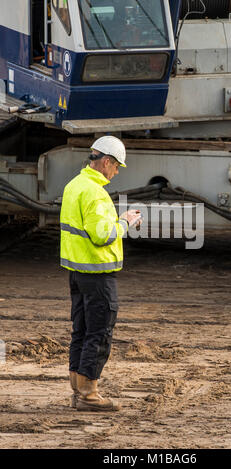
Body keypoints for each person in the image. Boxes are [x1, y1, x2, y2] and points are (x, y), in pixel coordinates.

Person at [60, 135, 142, 412]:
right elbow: (102, 236)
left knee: (81, 332)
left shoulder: (75, 185)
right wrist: (125, 222)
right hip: (97, 274)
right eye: (117, 166)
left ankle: (78, 391)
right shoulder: (95, 192)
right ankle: (89, 395)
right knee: (100, 333)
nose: (116, 171)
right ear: (106, 162)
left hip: (77, 272)